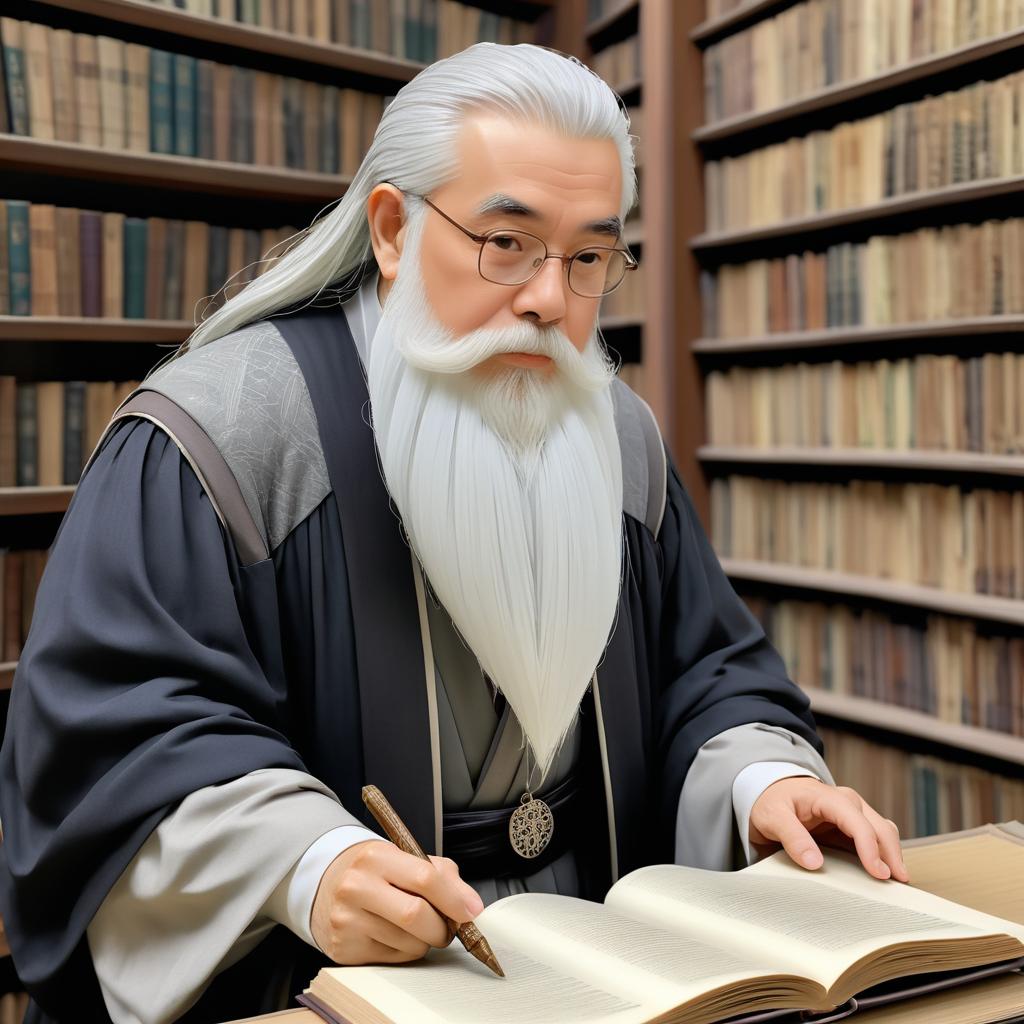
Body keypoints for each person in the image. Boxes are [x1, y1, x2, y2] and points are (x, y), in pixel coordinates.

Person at [0, 43, 908, 1024]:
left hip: (601, 972)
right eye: (505, 244)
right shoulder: (220, 435)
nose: (547, 301)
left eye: (588, 257)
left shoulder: (619, 437)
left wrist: (760, 784)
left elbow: (705, 668)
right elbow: (121, 739)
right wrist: (310, 864)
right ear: (390, 230)